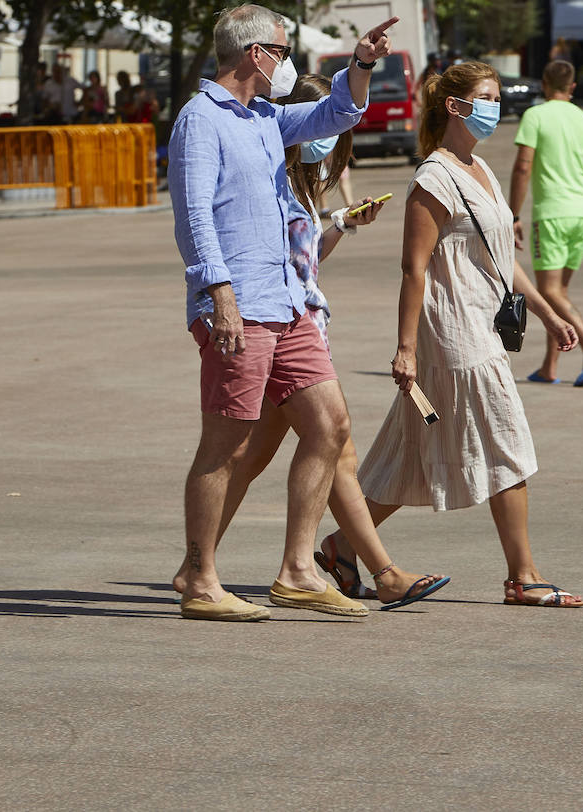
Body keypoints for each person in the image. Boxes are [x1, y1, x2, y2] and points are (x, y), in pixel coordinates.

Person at [173, 73, 449, 611]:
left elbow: (301, 262)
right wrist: (219, 295)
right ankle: (358, 566)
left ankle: (295, 568)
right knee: (242, 448)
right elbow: (195, 217)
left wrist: (341, 223)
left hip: (296, 319)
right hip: (250, 313)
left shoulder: (295, 181)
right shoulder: (235, 136)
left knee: (311, 438)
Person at [353, 60, 583, 609]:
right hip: (454, 333)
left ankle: (341, 547)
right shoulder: (434, 176)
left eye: (497, 95)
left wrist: (551, 315)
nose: (496, 106)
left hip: (480, 322)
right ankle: (523, 577)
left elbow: (500, 260)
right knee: (507, 442)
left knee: (413, 453)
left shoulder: (478, 168)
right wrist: (405, 348)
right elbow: (414, 269)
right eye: (486, 96)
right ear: (456, 106)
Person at [509, 59, 583, 388]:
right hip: (582, 213)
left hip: (552, 213)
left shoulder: (535, 116)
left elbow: (523, 168)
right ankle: (549, 366)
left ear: (543, 83)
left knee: (549, 291)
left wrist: (512, 214)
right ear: (573, 87)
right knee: (560, 293)